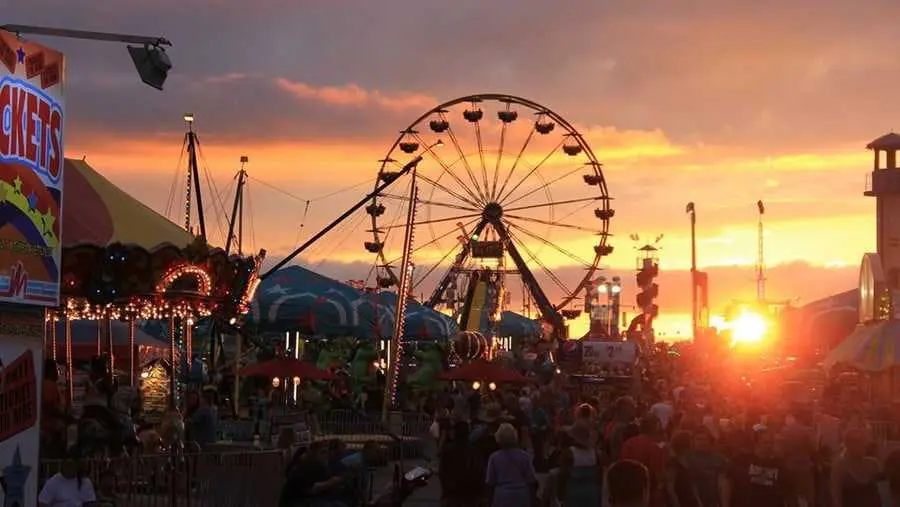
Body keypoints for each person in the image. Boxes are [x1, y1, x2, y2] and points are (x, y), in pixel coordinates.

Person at [724, 428, 792, 507]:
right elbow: (728, 485)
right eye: (766, 443)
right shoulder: (741, 461)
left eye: (771, 443)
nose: (769, 446)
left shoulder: (778, 464)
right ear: (756, 443)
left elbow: (788, 491)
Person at [278, 441, 348, 507]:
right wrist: (332, 482)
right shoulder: (304, 468)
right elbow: (311, 489)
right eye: (322, 452)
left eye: (326, 453)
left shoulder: (320, 468)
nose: (325, 456)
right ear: (313, 454)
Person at [485, 422, 538, 507]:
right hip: (521, 495)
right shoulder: (524, 456)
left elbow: (490, 482)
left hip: (501, 496)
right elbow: (531, 480)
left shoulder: (494, 457)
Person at [620, 416, 666, 507]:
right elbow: (658, 475)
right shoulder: (654, 448)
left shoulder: (628, 443)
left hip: (625, 488)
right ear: (655, 429)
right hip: (646, 491)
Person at [829, 428, 881, 507]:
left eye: (861, 442)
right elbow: (836, 498)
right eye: (855, 442)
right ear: (848, 445)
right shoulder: (840, 467)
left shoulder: (873, 464)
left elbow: (883, 493)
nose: (860, 445)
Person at [557, 420, 602, 506]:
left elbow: (562, 475)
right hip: (592, 492)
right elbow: (599, 476)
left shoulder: (569, 453)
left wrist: (560, 494)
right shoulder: (596, 454)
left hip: (574, 492)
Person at [440, 421, 483, 507]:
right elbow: (479, 471)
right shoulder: (474, 450)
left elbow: (442, 471)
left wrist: (445, 491)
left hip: (452, 491)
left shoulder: (448, 449)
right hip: (470, 492)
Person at [686, 428, 727, 507]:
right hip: (694, 501)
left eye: (704, 439)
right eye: (698, 439)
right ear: (693, 441)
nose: (701, 442)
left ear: (709, 441)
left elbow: (723, 482)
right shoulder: (689, 458)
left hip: (715, 501)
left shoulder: (719, 458)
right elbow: (692, 483)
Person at [665, 430, 701, 507]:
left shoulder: (689, 461)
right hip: (680, 501)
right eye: (692, 441)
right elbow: (670, 488)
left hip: (691, 502)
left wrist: (699, 502)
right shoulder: (673, 463)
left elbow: (692, 485)